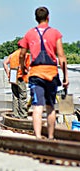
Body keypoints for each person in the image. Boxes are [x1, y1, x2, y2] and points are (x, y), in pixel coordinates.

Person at [19, 6, 69, 139]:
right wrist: (65, 77)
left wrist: (23, 67)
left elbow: (22, 54)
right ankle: (51, 137)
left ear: (36, 18)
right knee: (50, 106)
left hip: (35, 73)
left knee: (37, 106)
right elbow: (62, 57)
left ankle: (38, 137)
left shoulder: (29, 34)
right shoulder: (55, 33)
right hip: (52, 73)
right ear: (48, 17)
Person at [3, 41, 31, 119]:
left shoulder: (12, 54)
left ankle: (16, 114)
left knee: (15, 96)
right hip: (20, 76)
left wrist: (8, 73)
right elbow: (26, 67)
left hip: (13, 75)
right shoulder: (25, 54)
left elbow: (5, 63)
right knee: (23, 96)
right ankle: (23, 116)